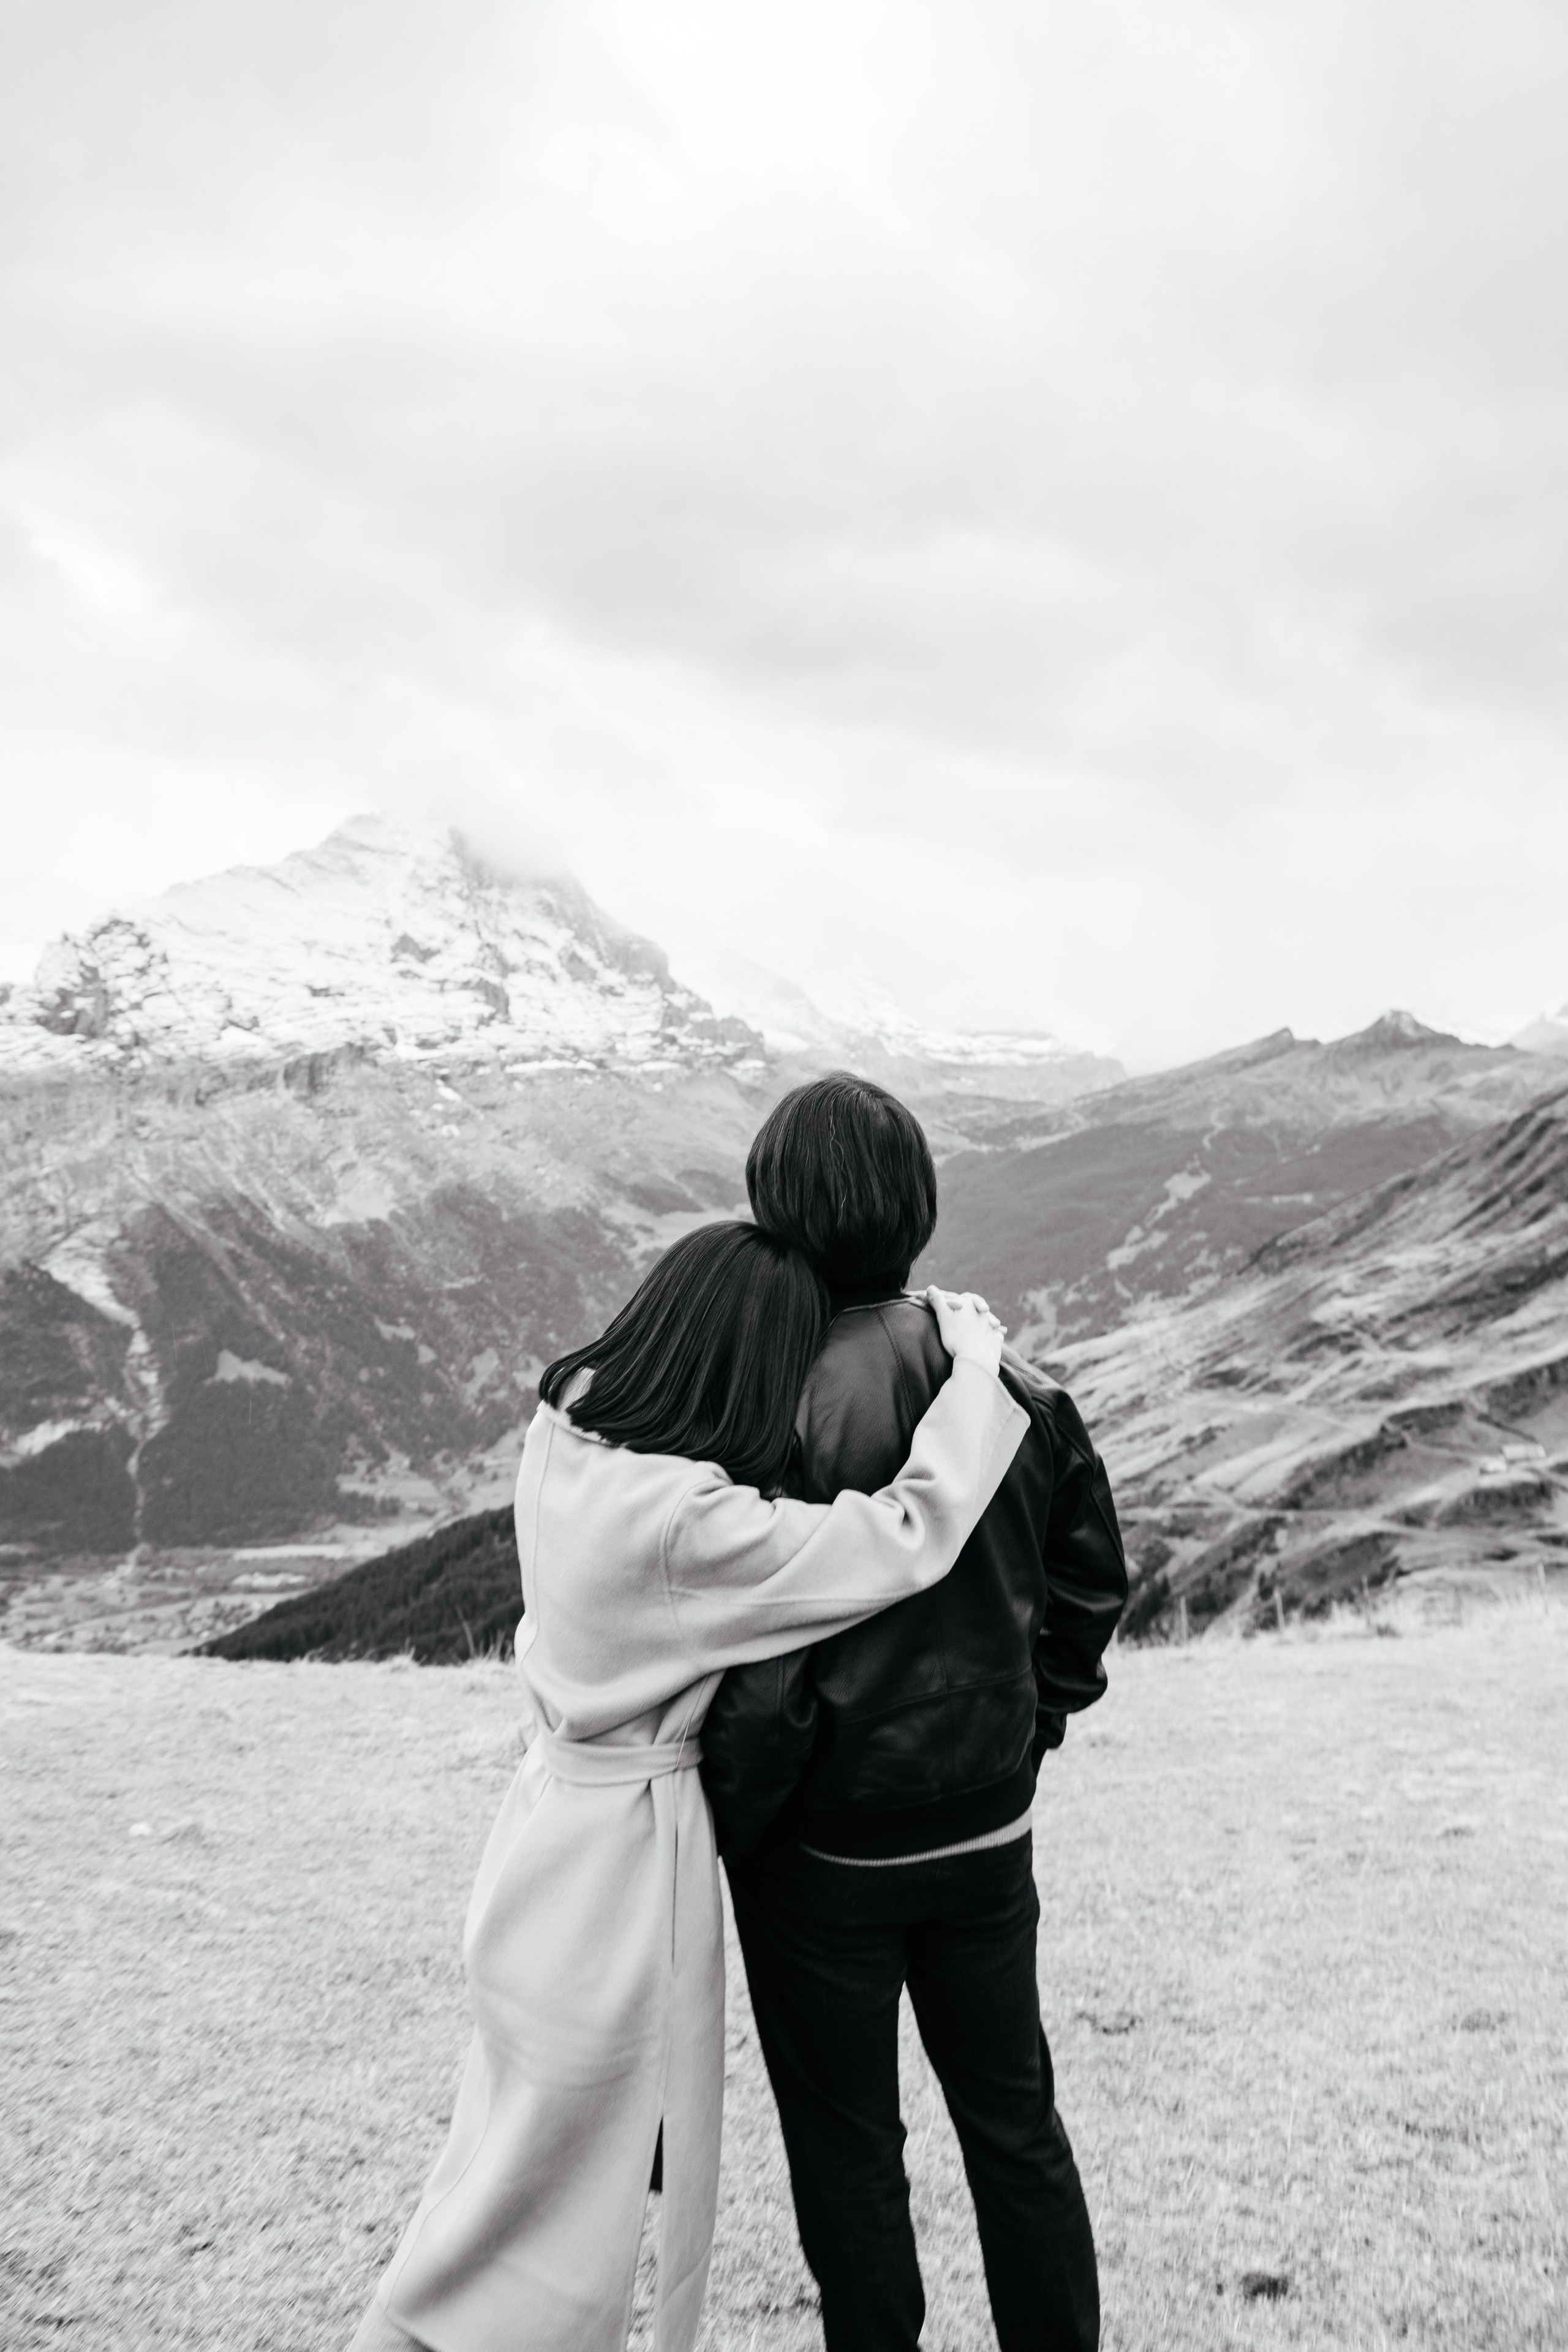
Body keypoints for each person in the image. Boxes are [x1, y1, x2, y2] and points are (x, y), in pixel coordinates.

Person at [347, 1219, 1028, 2352]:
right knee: (562, 2227)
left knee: (500, 2173)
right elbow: (905, 1535)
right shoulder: (687, 1528)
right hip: (622, 1879)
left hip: (540, 1844)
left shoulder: (563, 1436)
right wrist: (970, 1369)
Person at [701, 1074, 1128, 2352]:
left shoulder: (753, 1409)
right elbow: (1087, 1591)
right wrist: (1026, 1731)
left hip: (820, 1851)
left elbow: (753, 1653)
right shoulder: (1019, 1391)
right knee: (1015, 2128)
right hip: (985, 1831)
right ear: (917, 1207)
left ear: (775, 1210)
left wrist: (756, 1791)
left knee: (847, 2148)